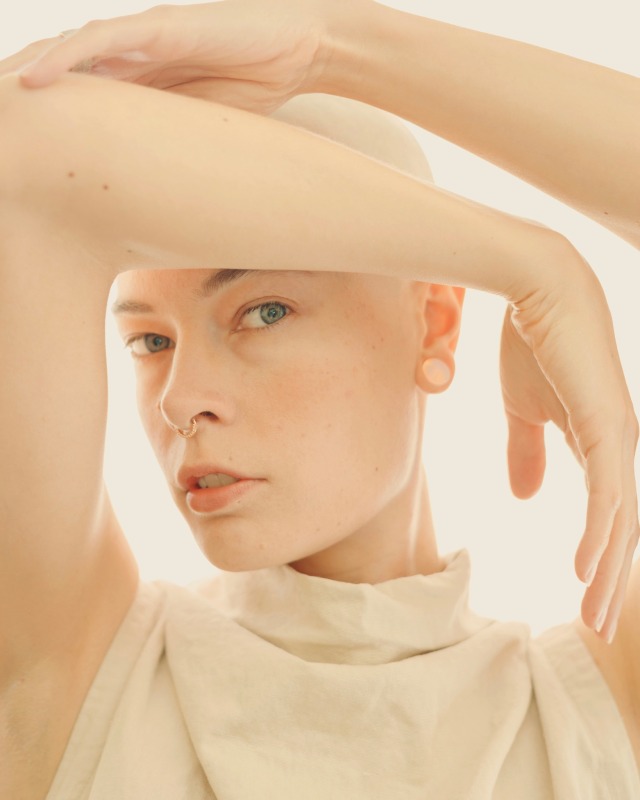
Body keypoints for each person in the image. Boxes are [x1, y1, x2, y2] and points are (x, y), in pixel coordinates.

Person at [0, 6, 638, 800]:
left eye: (263, 311)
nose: (180, 399)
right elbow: (18, 137)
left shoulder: (593, 718)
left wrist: (330, 44)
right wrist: (527, 263)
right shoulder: (76, 669)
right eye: (148, 343)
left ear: (435, 321)